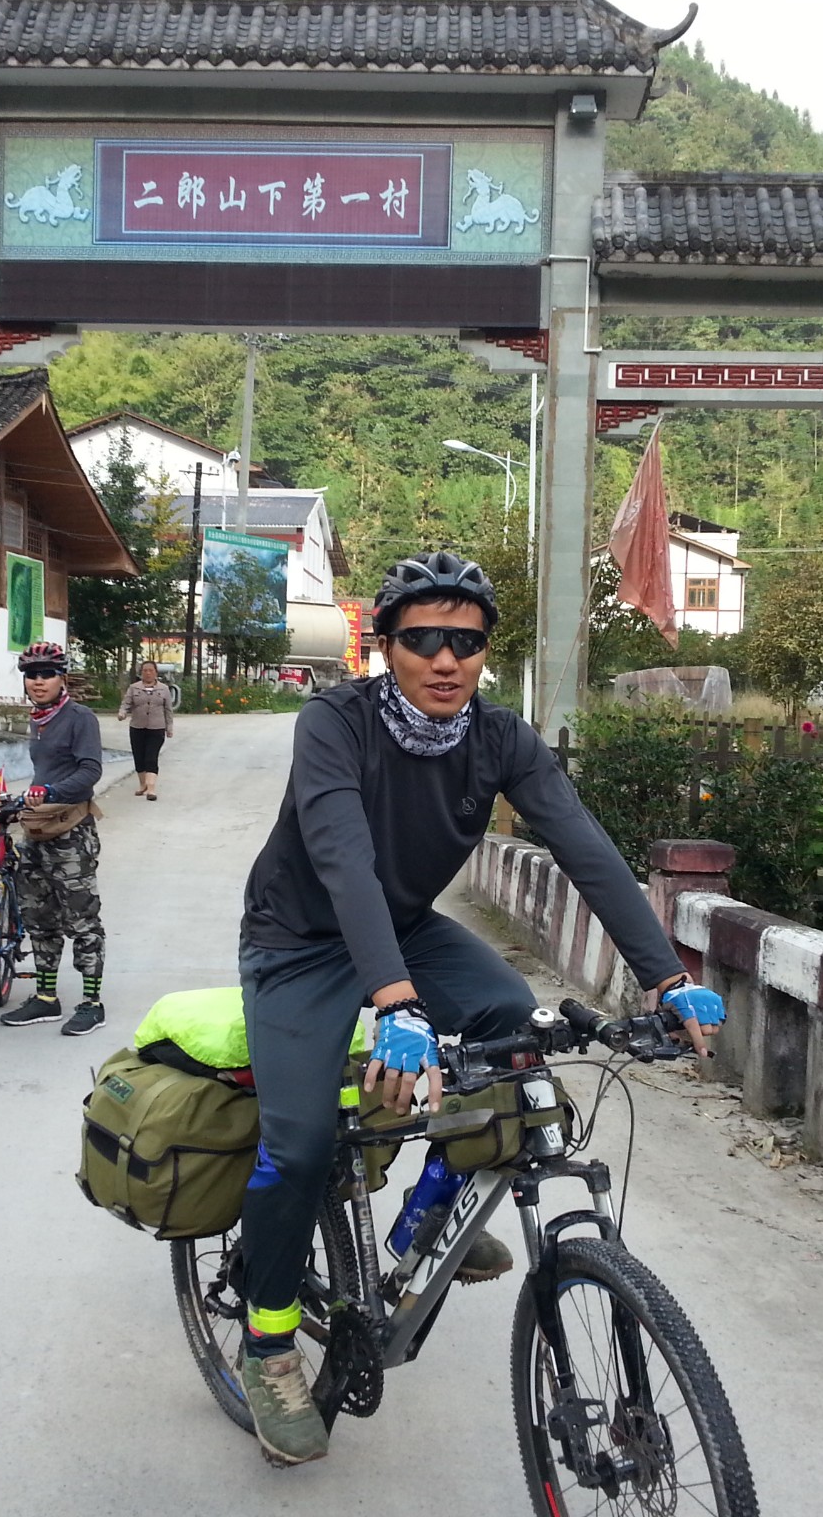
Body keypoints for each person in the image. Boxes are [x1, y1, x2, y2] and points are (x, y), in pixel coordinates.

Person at [231, 550, 725, 1465]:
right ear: (385, 645)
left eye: (466, 641)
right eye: (423, 639)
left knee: (509, 1020)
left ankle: (426, 1220)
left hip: (406, 928)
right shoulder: (333, 723)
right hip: (300, 941)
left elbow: (582, 844)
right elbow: (340, 857)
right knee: (298, 1144)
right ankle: (266, 1348)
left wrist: (663, 975)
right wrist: (396, 1004)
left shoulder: (500, 737)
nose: (446, 659)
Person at [3, 640, 109, 1037]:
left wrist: (50, 792)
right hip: (38, 829)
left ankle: (91, 1003)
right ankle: (46, 998)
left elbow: (89, 772)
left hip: (71, 832)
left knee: (81, 919)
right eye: (31, 675)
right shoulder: (39, 720)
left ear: (62, 677)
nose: (38, 681)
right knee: (39, 915)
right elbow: (43, 772)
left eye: (47, 673)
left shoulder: (80, 718)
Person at [117, 660, 174, 801]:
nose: (148, 673)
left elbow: (168, 710)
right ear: (141, 673)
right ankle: (142, 784)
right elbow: (126, 704)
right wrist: (122, 713)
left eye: (151, 670)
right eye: (145, 670)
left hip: (157, 728)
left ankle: (151, 789)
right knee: (139, 757)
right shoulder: (134, 688)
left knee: (151, 757)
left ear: (155, 673)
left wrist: (169, 727)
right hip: (137, 727)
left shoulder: (164, 689)